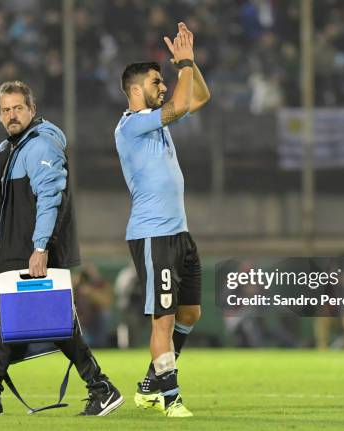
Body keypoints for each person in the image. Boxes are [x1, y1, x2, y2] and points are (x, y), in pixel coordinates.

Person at [0, 80, 123, 416]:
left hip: (31, 253)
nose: (12, 115)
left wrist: (40, 247)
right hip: (19, 250)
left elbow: (50, 200)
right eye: (6, 109)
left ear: (32, 109)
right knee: (15, 321)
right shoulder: (15, 148)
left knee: (46, 323)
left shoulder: (39, 147)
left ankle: (98, 388)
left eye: (18, 108)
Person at [114, 22, 211, 417]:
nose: (163, 86)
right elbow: (184, 103)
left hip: (179, 233)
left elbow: (199, 97)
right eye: (157, 81)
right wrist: (183, 63)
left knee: (190, 313)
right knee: (164, 319)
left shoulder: (156, 121)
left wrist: (190, 66)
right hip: (153, 235)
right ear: (136, 89)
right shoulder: (132, 124)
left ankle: (152, 384)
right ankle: (170, 400)